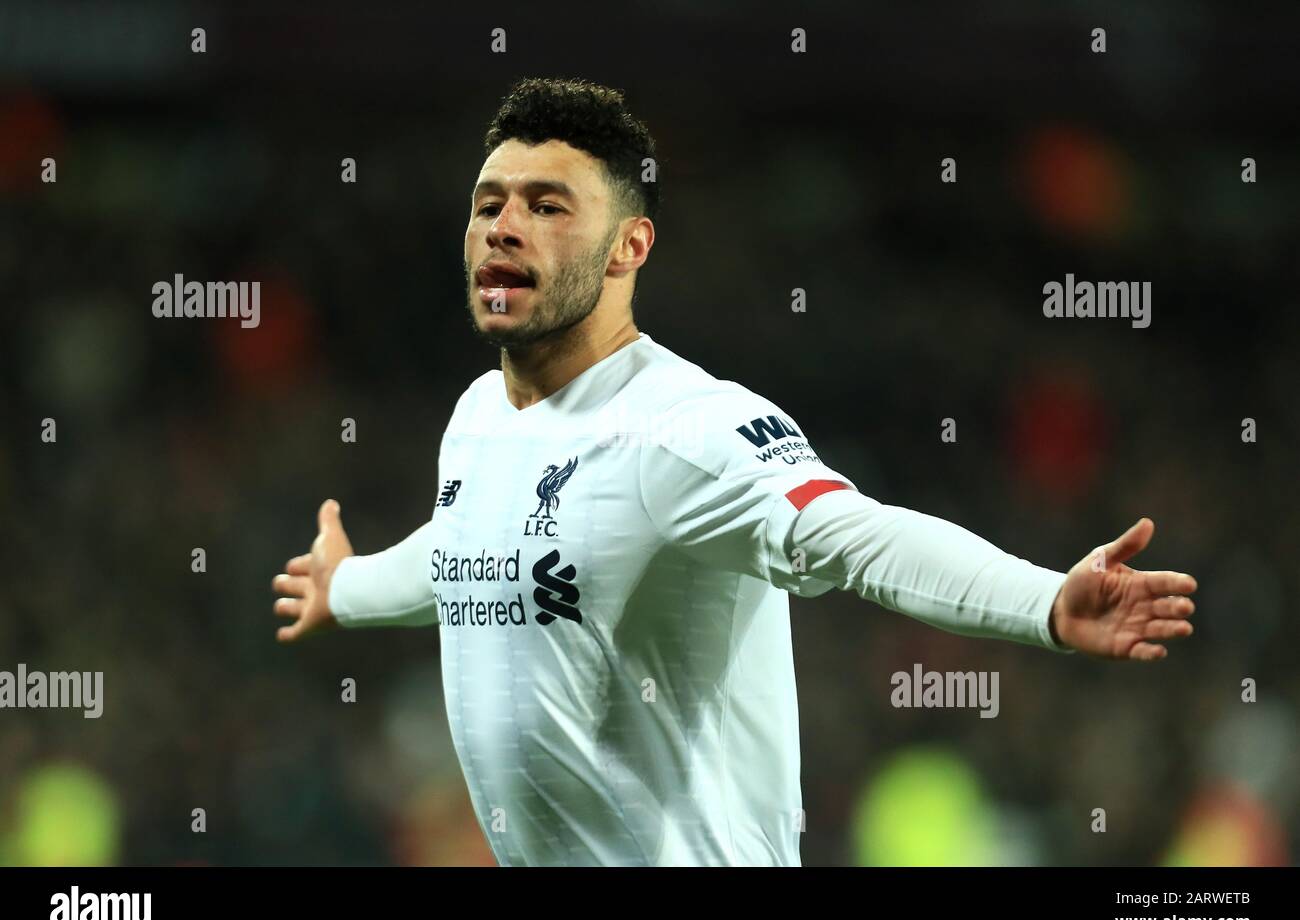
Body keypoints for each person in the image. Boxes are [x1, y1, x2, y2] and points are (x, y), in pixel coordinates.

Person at [272, 77, 1198, 866]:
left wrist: (1043, 603)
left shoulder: (688, 429)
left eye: (547, 205)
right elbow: (464, 551)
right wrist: (343, 587)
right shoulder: (479, 420)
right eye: (488, 204)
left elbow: (857, 534)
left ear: (629, 247)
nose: (504, 227)